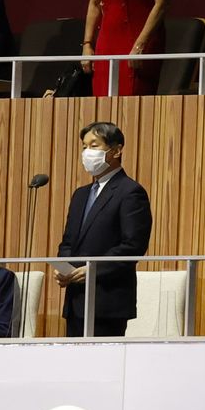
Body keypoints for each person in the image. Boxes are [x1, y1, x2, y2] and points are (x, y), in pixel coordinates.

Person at [55, 122, 152, 337]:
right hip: (76, 299)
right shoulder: (80, 194)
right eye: (84, 146)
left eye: (94, 146)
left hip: (108, 300)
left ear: (116, 150)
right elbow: (68, 242)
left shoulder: (130, 192)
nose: (87, 153)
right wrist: (65, 268)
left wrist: (93, 269)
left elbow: (133, 245)